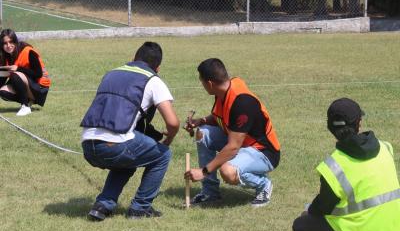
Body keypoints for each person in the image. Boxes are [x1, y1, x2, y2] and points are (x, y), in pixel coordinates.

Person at [292, 98, 400, 231]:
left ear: (329, 128)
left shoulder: (334, 166)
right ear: (359, 122)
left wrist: (309, 209)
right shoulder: (385, 147)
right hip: (393, 229)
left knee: (302, 225)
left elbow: (322, 209)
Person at [80, 42, 180, 220]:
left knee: (128, 160)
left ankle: (102, 206)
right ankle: (140, 208)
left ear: (133, 58)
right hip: (114, 146)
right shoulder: (153, 80)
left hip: (88, 144)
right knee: (163, 155)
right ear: (157, 67)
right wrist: (168, 140)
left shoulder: (111, 73)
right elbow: (173, 123)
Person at [184, 58, 280, 207]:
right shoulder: (223, 90)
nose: (202, 85)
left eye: (202, 82)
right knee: (202, 133)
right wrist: (201, 121)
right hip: (240, 142)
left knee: (227, 171)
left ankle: (263, 185)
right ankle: (210, 192)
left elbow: (233, 147)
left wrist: (203, 172)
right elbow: (223, 117)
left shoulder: (243, 102)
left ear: (210, 83)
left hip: (263, 152)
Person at [0, 29, 51, 116]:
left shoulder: (28, 51)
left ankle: (25, 106)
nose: (8, 45)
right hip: (26, 85)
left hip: (40, 88)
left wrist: (18, 68)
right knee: (2, 91)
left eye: (11, 42)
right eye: (5, 43)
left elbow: (38, 74)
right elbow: (2, 77)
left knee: (16, 75)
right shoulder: (4, 56)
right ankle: (28, 101)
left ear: (15, 41)